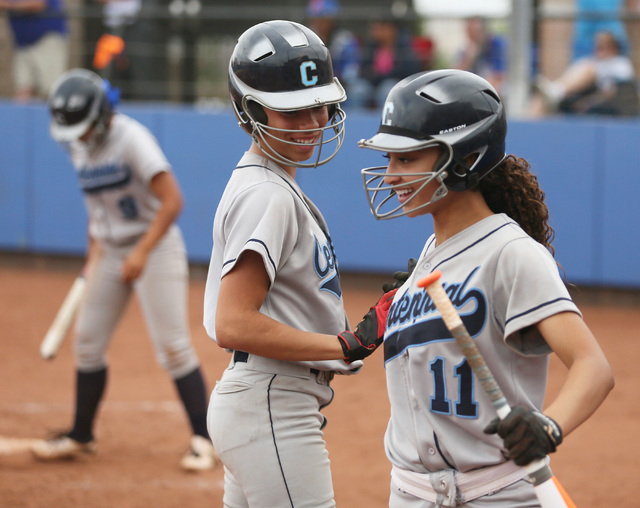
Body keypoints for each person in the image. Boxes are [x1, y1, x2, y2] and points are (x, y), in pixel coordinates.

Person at [358, 69, 614, 506]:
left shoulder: (511, 253)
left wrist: (548, 427)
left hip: (494, 493)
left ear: (464, 159)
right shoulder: (428, 256)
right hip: (410, 493)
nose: (391, 175)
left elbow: (594, 368)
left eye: (407, 159)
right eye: (389, 159)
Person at [203, 19, 395, 507]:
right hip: (271, 402)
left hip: (266, 400)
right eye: (293, 112)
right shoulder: (268, 193)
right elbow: (232, 322)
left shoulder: (270, 183)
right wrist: (340, 344)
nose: (313, 123)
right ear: (249, 109)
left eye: (320, 106)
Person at [30, 68, 218, 472]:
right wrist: (93, 254)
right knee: (87, 343)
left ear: (100, 116)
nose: (77, 138)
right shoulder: (79, 148)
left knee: (173, 347)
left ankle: (204, 439)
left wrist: (141, 252)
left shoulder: (132, 139)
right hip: (110, 250)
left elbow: (172, 201)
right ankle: (82, 436)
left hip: (154, 246)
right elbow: (97, 209)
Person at [532, 30, 638, 117]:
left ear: (613, 48)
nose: (600, 51)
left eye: (605, 47)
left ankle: (555, 92)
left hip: (605, 105)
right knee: (539, 100)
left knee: (588, 69)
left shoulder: (620, 63)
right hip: (573, 97)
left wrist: (589, 102)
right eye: (598, 47)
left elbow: (616, 91)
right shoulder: (590, 61)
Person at [0, 0, 68, 100]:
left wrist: (8, 5)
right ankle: (21, 116)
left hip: (47, 39)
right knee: (23, 89)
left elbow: (38, 4)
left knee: (51, 89)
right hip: (22, 43)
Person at [348, 17, 421, 110]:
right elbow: (363, 70)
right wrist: (375, 75)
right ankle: (356, 123)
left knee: (387, 90)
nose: (378, 32)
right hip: (371, 84)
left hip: (394, 84)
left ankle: (384, 121)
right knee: (358, 90)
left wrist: (379, 75)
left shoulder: (404, 48)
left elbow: (408, 70)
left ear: (392, 29)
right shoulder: (370, 47)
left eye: (382, 28)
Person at [306, 0, 361, 101]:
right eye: (316, 18)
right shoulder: (306, 39)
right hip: (312, 84)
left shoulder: (345, 40)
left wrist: (334, 80)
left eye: (324, 18)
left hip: (340, 84)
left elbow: (351, 70)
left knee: (358, 89)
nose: (320, 23)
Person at [454, 16, 507, 95]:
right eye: (469, 33)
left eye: (475, 32)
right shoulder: (466, 50)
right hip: (475, 90)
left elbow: (499, 75)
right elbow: (455, 77)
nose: (472, 37)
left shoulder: (496, 45)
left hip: (489, 90)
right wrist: (468, 58)